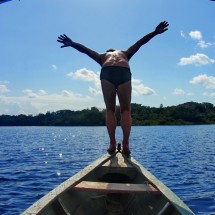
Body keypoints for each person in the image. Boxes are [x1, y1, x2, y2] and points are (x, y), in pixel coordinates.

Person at [57, 21, 169, 155]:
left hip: (107, 71)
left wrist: (72, 43)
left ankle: (112, 144)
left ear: (108, 51)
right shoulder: (124, 53)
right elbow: (140, 43)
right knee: (126, 110)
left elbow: (86, 50)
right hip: (123, 70)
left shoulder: (102, 56)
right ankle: (126, 145)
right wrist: (155, 32)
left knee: (110, 110)